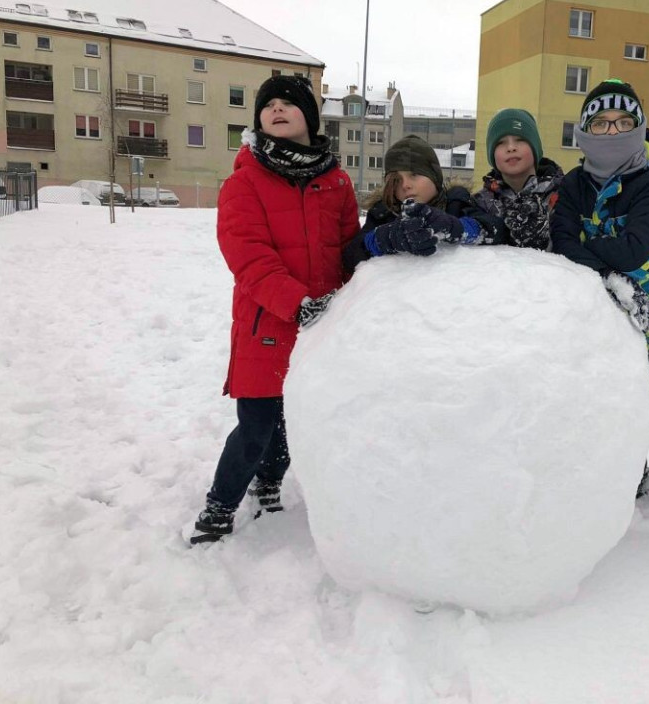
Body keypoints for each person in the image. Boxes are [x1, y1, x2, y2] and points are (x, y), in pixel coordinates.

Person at [188, 75, 360, 545]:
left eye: (289, 103)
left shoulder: (336, 181)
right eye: (269, 105)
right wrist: (296, 303)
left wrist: (353, 297)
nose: (277, 110)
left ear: (309, 116)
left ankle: (269, 483)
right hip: (269, 322)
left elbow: (347, 249)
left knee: (292, 422)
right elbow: (246, 255)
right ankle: (220, 505)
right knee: (256, 428)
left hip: (321, 324)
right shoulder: (245, 181)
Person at [549, 79, 649, 524]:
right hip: (617, 324)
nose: (612, 131)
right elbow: (561, 242)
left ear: (639, 128)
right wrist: (603, 268)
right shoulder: (575, 185)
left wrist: (589, 253)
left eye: (623, 122)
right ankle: (631, 482)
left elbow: (635, 249)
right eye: (600, 124)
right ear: (584, 132)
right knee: (622, 412)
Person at [342, 134, 505, 272]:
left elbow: (496, 229)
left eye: (414, 175)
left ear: (434, 177)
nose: (405, 185)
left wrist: (455, 227)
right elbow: (351, 256)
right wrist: (383, 238)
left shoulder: (456, 201)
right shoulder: (383, 212)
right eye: (396, 180)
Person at [472, 108, 564, 250]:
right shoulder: (479, 203)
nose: (511, 147)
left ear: (535, 148)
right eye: (500, 142)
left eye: (520, 140)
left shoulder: (565, 195)